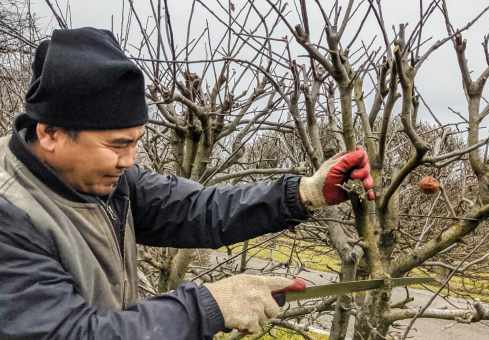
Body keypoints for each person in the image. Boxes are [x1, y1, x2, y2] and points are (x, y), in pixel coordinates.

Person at [0, 27, 375, 339]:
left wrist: (303, 194)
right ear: (50, 133)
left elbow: (198, 210)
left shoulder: (104, 179)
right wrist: (208, 306)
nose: (129, 161)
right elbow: (68, 334)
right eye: (117, 145)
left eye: (135, 142)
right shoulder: (11, 212)